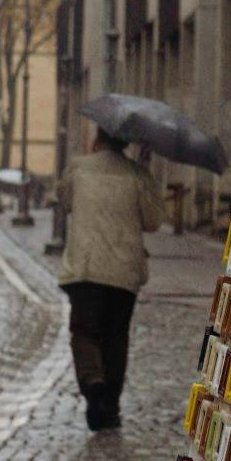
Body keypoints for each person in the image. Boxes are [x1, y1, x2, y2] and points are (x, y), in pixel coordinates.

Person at [55, 128, 165, 431]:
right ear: (125, 143)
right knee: (117, 338)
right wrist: (144, 170)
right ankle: (110, 407)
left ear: (97, 139)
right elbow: (154, 221)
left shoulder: (79, 167)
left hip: (85, 268)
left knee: (85, 330)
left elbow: (64, 201)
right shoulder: (136, 174)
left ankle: (92, 378)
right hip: (123, 272)